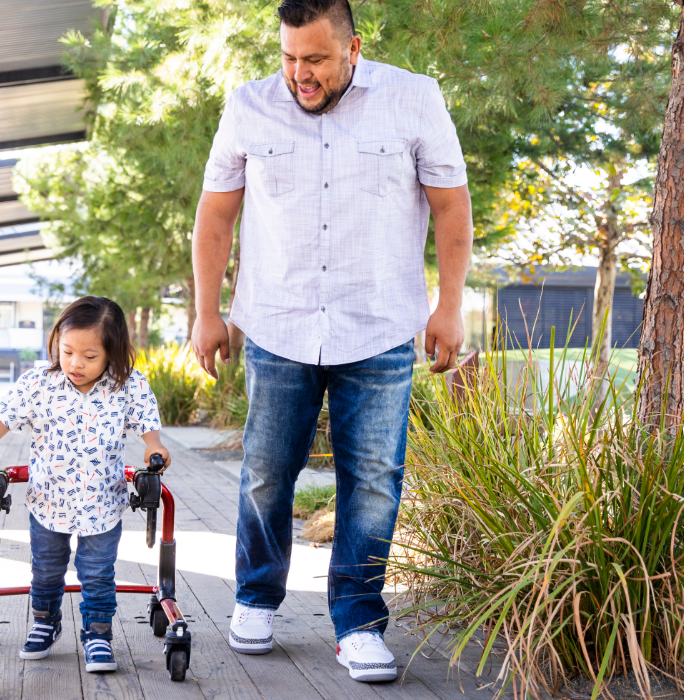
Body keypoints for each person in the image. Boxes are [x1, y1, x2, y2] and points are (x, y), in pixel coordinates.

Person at [191, 0, 473, 683]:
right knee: (265, 472)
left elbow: (451, 206)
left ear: (353, 48)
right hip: (278, 323)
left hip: (377, 325)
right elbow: (215, 217)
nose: (300, 75)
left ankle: (358, 623)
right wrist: (207, 313)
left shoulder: (414, 98)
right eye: (289, 58)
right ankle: (256, 598)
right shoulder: (248, 106)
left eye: (315, 59)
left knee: (373, 482)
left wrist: (450, 307)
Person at [0, 296, 170, 673]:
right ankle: (45, 622)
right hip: (48, 501)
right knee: (45, 569)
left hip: (102, 504)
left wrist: (153, 444)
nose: (76, 363)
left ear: (113, 353)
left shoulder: (128, 386)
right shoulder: (39, 383)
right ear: (56, 343)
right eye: (67, 351)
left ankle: (98, 634)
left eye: (90, 356)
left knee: (97, 572)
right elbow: (6, 412)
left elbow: (147, 421)